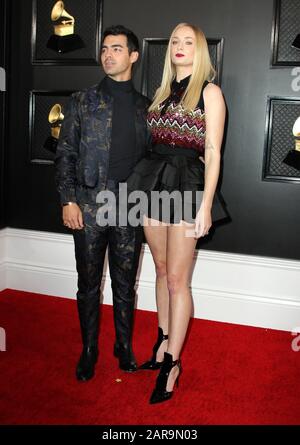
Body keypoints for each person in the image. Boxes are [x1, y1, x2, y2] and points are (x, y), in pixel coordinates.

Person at [127, 22, 228, 403]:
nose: (180, 47)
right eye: (175, 41)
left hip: (187, 184)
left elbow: (214, 152)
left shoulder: (210, 92)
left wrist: (206, 206)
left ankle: (172, 363)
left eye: (188, 42)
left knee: (177, 281)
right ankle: (162, 339)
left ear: (199, 50)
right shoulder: (161, 92)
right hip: (152, 182)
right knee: (161, 270)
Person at [55, 25, 150, 381]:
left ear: (133, 56)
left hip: (129, 204)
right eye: (105, 49)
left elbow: (153, 159)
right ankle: (90, 348)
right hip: (90, 203)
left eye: (117, 49)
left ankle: (123, 346)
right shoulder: (82, 100)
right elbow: (64, 153)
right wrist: (68, 200)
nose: (108, 55)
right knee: (89, 283)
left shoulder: (146, 107)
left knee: (126, 284)